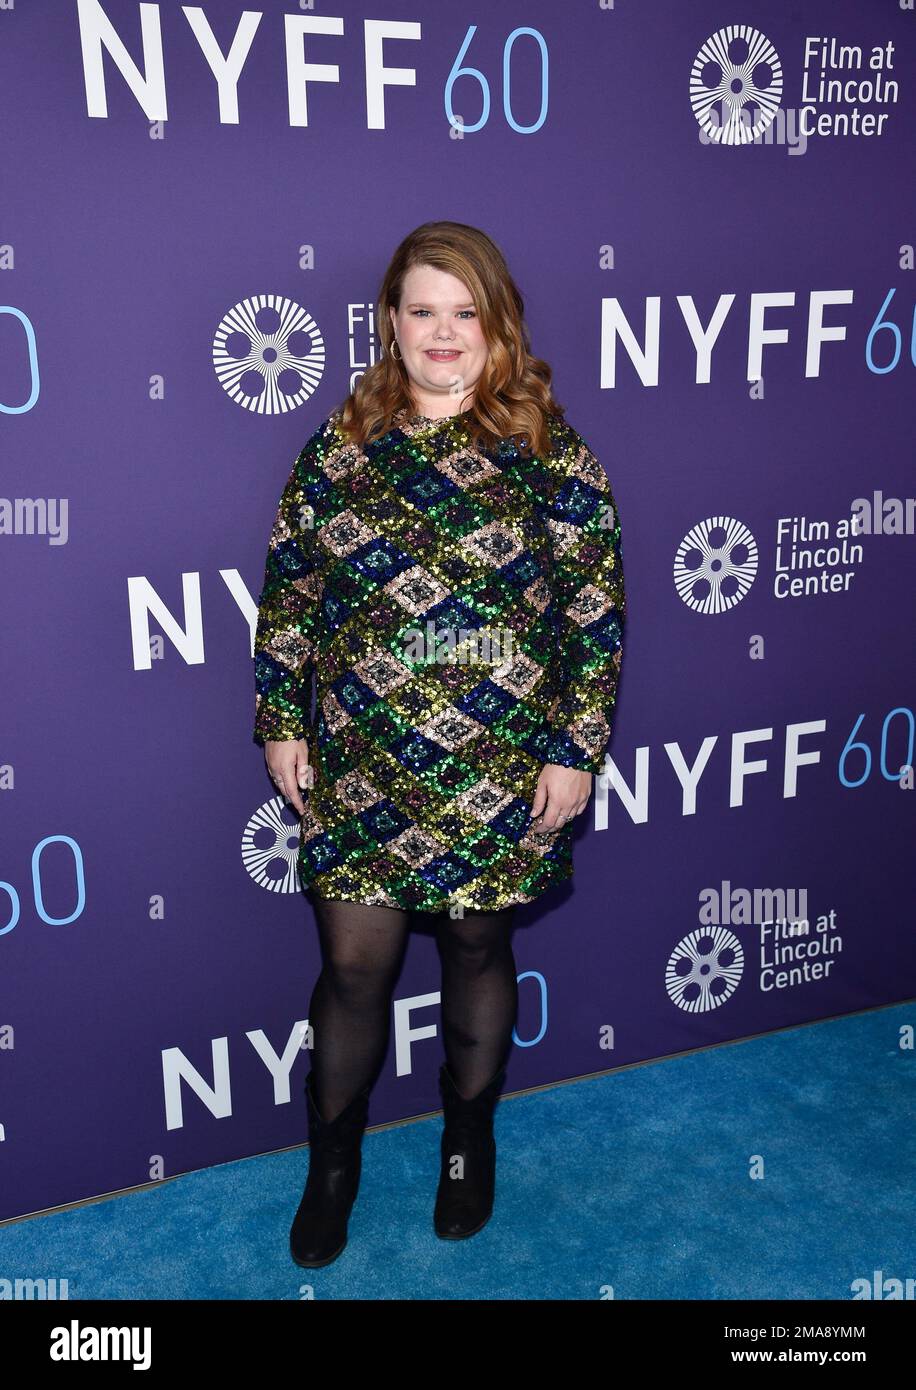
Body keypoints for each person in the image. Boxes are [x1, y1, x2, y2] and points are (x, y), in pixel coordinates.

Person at [252, 220, 625, 1267]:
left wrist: (574, 748)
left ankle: (468, 1143)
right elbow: (290, 589)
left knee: (476, 947)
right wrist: (282, 713)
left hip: (499, 769)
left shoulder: (553, 454)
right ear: (390, 324)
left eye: (465, 311)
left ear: (497, 324)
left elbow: (594, 616)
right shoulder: (341, 445)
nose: (444, 331)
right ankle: (333, 1164)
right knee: (352, 969)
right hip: (363, 761)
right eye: (423, 310)